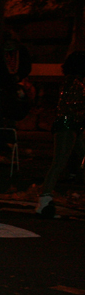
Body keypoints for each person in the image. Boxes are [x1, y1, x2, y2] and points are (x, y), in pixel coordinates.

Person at [36, 51, 85, 218]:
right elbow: (70, 105)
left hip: (73, 124)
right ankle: (44, 200)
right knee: (59, 161)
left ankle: (45, 199)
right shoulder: (74, 83)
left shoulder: (74, 82)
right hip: (67, 124)